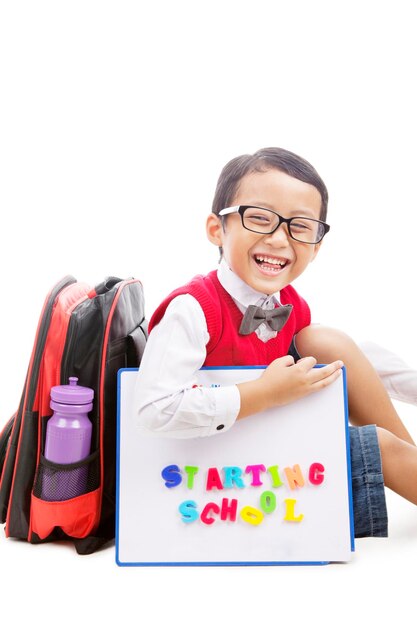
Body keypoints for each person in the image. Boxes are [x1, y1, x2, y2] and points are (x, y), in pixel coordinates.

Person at [134, 146, 417, 538]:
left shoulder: (289, 306)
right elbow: (153, 408)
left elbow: (354, 361)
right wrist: (263, 394)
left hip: (273, 450)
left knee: (324, 341)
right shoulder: (193, 309)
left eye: (299, 227)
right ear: (218, 228)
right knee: (378, 447)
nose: (280, 239)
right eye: (261, 218)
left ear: (316, 246)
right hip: (216, 475)